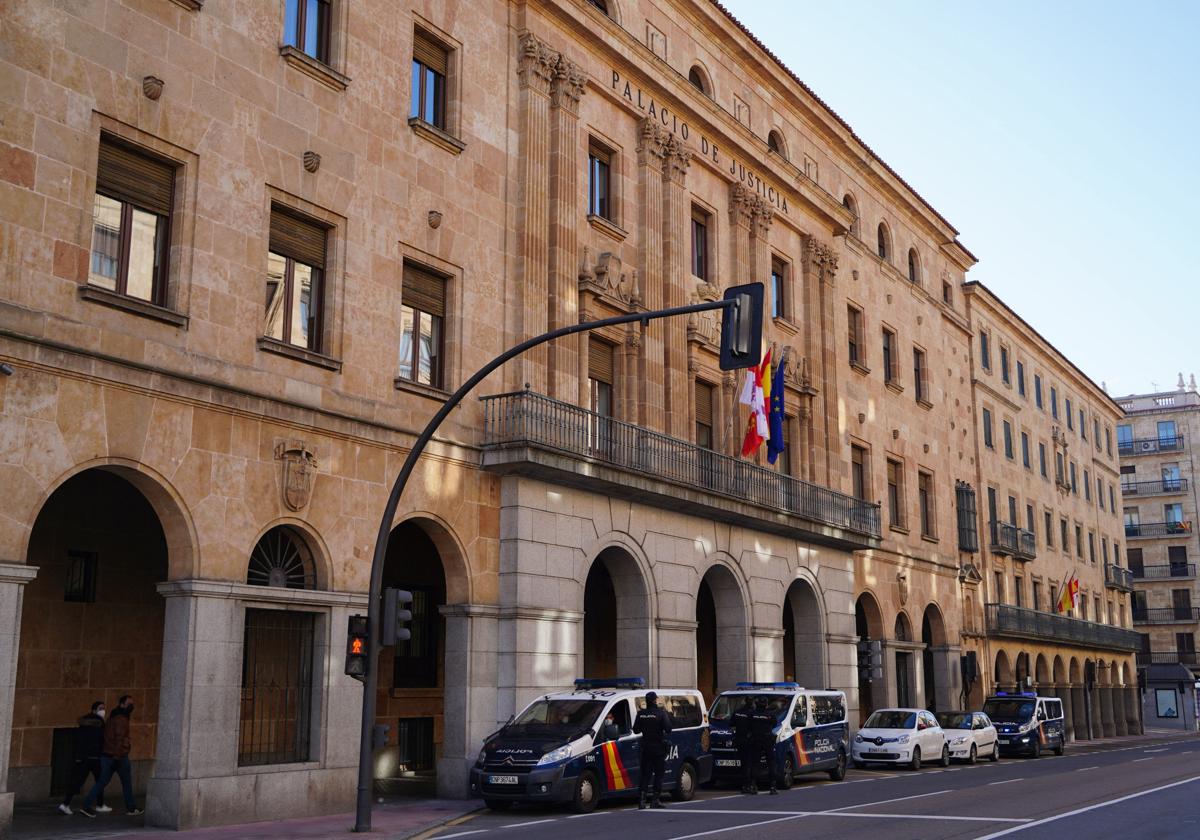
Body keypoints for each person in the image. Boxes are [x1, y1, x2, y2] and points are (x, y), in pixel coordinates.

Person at [79, 694, 142, 818]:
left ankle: (86, 805)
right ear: (122, 704)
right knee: (126, 782)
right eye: (129, 704)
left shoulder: (113, 716)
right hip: (117, 756)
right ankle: (131, 807)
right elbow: (118, 738)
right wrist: (118, 756)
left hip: (108, 755)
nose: (131, 706)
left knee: (102, 782)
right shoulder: (121, 719)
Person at [59, 701, 108, 815]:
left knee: (79, 781)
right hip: (95, 756)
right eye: (101, 708)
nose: (103, 711)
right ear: (94, 710)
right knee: (100, 781)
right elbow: (100, 740)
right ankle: (99, 804)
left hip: (84, 756)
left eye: (104, 708)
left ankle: (66, 804)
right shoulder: (99, 723)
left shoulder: (83, 723)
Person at [633, 691, 672, 809]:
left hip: (646, 749)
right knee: (659, 774)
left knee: (645, 775)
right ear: (655, 700)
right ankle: (655, 800)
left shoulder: (641, 714)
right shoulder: (661, 713)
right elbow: (668, 729)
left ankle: (641, 801)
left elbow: (635, 730)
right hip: (658, 749)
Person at [748, 696, 780, 795]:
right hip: (767, 740)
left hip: (756, 739)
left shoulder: (752, 714)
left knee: (755, 763)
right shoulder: (770, 714)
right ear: (766, 704)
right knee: (771, 763)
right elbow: (774, 724)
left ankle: (753, 785)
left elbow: (749, 725)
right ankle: (773, 787)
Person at [732, 700, 755, 794]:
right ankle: (750, 785)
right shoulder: (752, 713)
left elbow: (732, 724)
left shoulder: (737, 712)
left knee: (743, 763)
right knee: (750, 764)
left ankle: (744, 785)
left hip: (739, 740)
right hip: (749, 741)